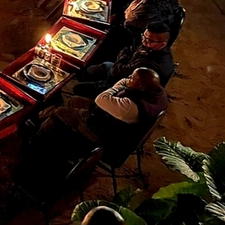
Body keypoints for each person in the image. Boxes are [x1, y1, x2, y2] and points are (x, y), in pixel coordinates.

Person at [36, 68, 168, 159]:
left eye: (132, 78)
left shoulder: (130, 106)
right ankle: (47, 124)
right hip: (108, 118)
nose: (128, 78)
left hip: (103, 133)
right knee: (74, 101)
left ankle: (38, 138)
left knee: (60, 112)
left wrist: (120, 85)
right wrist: (128, 84)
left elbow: (101, 99)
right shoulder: (156, 92)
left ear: (141, 87)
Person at [73, 22, 175, 97]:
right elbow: (129, 49)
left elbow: (115, 73)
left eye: (148, 40)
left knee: (77, 88)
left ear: (163, 44)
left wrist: (123, 58)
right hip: (123, 68)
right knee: (91, 70)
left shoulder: (149, 64)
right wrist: (124, 58)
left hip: (123, 85)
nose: (144, 41)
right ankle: (86, 78)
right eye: (143, 36)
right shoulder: (150, 46)